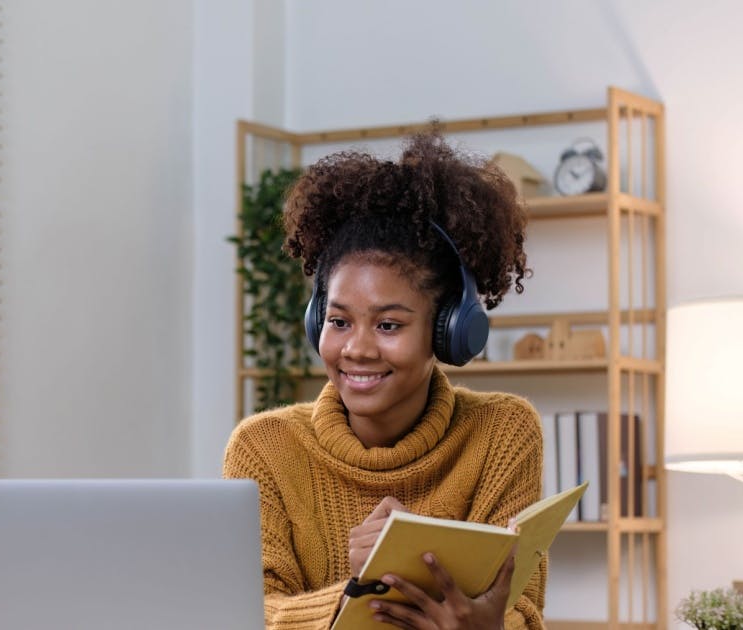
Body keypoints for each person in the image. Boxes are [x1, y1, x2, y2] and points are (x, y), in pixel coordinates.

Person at [223, 131, 541, 630]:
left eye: (389, 324)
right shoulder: (265, 447)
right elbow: (243, 613)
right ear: (315, 322)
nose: (357, 349)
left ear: (448, 330)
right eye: (339, 321)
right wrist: (363, 588)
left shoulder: (502, 432)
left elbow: (521, 610)